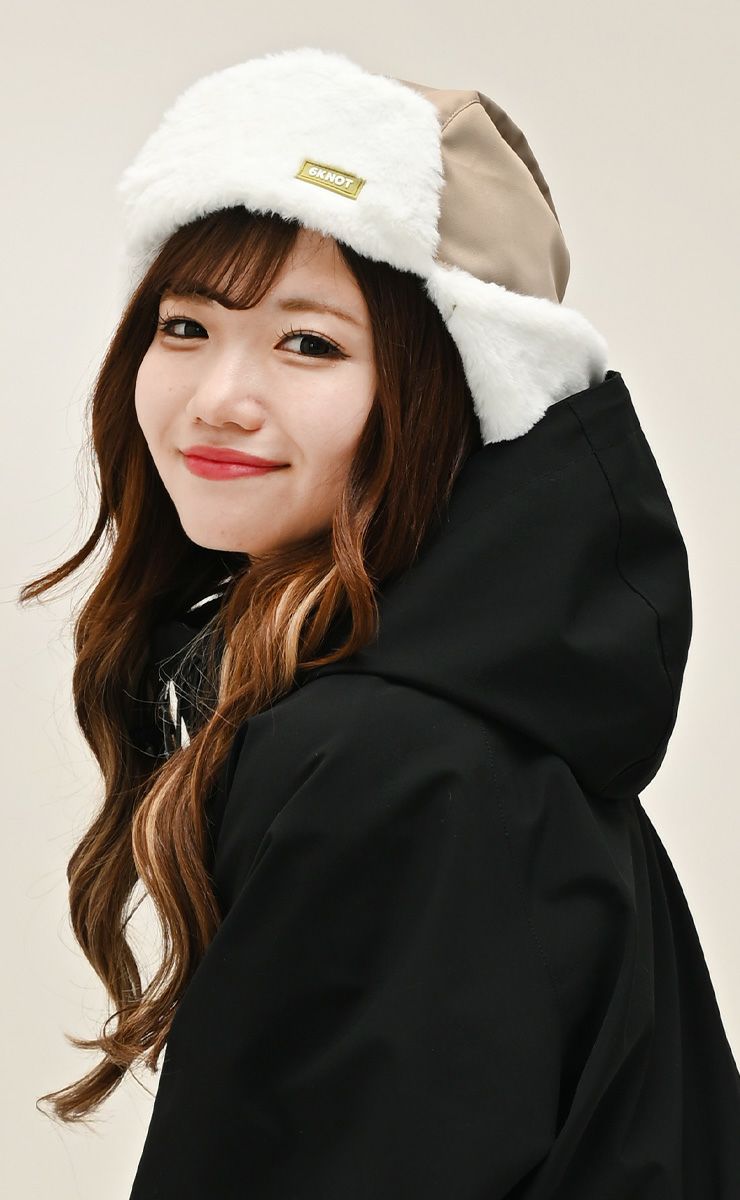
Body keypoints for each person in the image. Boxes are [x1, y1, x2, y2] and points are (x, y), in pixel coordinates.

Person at [22, 45, 740, 1198]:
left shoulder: (395, 761)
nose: (218, 399)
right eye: (186, 325)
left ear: (447, 387)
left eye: (309, 342)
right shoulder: (458, 711)